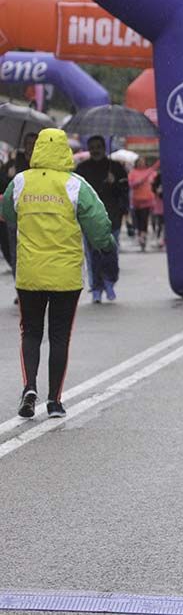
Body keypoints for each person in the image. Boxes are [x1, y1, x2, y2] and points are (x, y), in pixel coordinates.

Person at [2, 128, 114, 419]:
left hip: (30, 273)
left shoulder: (20, 181)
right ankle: (54, 401)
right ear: (65, 150)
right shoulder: (76, 185)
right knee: (60, 335)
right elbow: (99, 223)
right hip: (65, 276)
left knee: (31, 332)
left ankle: (29, 387)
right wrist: (106, 246)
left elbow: (8, 212)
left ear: (37, 149)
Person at [75, 136, 128, 302]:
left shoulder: (116, 167)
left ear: (104, 147)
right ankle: (96, 288)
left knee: (110, 252)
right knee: (93, 255)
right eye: (92, 147)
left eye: (98, 146)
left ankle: (110, 281)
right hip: (90, 220)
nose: (95, 150)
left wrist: (116, 184)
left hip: (112, 218)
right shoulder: (82, 169)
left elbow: (125, 191)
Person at [0, 132, 37, 274]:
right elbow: (3, 186)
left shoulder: (41, 162)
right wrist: (7, 174)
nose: (31, 147)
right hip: (15, 212)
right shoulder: (15, 161)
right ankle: (19, 287)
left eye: (34, 143)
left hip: (33, 213)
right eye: (29, 143)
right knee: (14, 252)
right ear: (24, 145)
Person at [128, 158, 157, 252]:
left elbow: (154, 179)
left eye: (143, 162)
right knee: (138, 220)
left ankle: (143, 236)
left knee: (144, 219)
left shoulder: (149, 172)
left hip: (147, 200)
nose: (141, 164)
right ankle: (140, 235)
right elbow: (131, 184)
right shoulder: (133, 172)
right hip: (136, 201)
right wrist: (138, 182)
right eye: (140, 162)